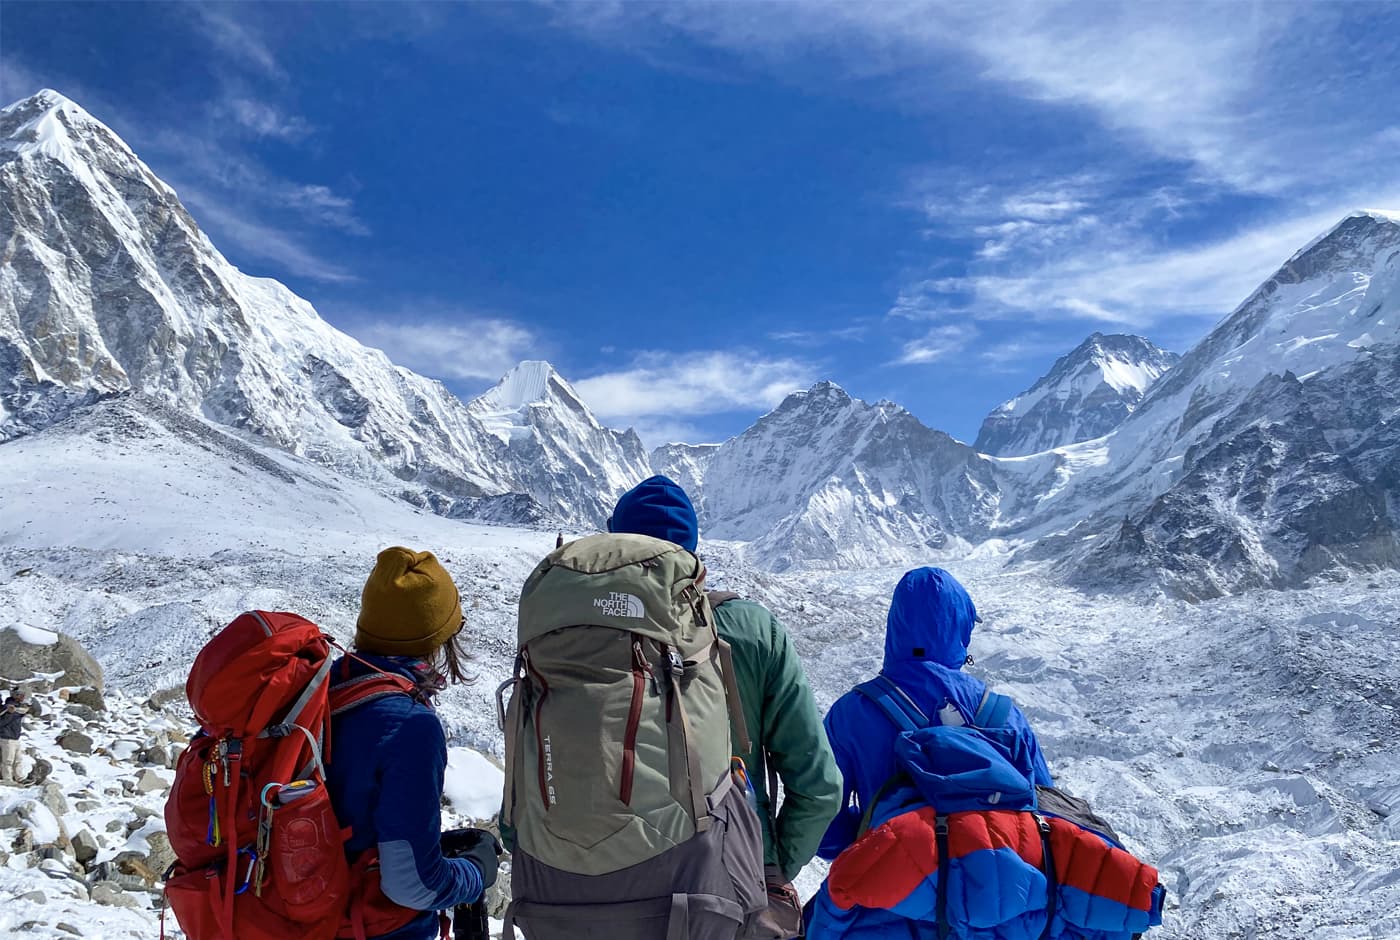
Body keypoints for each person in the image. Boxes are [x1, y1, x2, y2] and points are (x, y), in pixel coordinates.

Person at [607, 475, 843, 925]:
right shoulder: (752, 630)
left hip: (593, 893)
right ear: (693, 552)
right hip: (727, 890)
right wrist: (767, 865)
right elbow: (820, 788)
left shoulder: (571, 636)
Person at [817, 565, 1052, 860]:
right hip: (1003, 895)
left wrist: (873, 841)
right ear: (961, 627)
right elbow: (1047, 812)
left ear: (896, 625)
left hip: (894, 893)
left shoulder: (850, 713)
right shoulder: (1005, 715)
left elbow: (824, 822)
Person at [326, 546, 500, 940]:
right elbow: (413, 886)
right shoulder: (409, 727)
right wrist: (475, 872)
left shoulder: (326, 689)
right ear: (438, 636)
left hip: (304, 917)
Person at [0, 690, 29, 785]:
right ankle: (7, 779)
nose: (22, 697)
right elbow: (2, 722)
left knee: (18, 760)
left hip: (15, 737)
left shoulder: (19, 707)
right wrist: (9, 713)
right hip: (6, 738)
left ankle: (19, 777)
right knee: (8, 760)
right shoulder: (6, 707)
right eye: (20, 695)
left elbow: (24, 711)